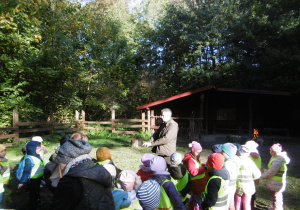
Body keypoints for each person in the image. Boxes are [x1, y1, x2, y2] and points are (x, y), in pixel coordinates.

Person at [51, 139, 115, 210]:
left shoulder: (70, 181)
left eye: (59, 162)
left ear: (65, 160)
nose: (60, 167)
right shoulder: (100, 170)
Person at [260, 143, 290, 210]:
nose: (271, 152)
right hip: (276, 181)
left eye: (273, 151)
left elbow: (271, 172)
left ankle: (276, 208)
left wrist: (263, 176)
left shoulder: (277, 161)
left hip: (276, 181)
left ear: (278, 151)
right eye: (270, 150)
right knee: (277, 195)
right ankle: (277, 207)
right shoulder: (276, 157)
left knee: (276, 196)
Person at [18, 141, 45, 210]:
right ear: (32, 149)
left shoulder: (37, 156)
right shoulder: (29, 159)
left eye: (40, 148)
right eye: (38, 148)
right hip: (33, 180)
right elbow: (26, 172)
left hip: (38, 178)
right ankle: (33, 206)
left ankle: (38, 202)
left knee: (37, 191)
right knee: (33, 194)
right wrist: (22, 182)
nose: (40, 149)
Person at [183, 141, 209, 210]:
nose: (199, 154)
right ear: (192, 150)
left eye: (200, 152)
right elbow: (193, 172)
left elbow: (200, 163)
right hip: (197, 184)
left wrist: (203, 165)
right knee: (199, 201)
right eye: (197, 152)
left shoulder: (196, 157)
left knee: (193, 198)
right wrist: (203, 168)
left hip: (199, 182)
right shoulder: (190, 160)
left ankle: (190, 208)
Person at [235, 145, 261, 210]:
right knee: (246, 203)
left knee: (237, 202)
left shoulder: (235, 160)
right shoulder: (250, 162)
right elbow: (257, 174)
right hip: (248, 187)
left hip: (238, 186)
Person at [221, 143, 239, 210]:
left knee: (226, 204)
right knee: (231, 203)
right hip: (233, 185)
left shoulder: (228, 164)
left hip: (227, 186)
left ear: (227, 153)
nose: (221, 152)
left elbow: (225, 176)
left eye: (222, 151)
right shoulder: (235, 159)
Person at [245, 140, 262, 209]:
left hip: (248, 176)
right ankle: (253, 204)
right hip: (256, 175)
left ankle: (246, 204)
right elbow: (260, 166)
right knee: (253, 190)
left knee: (247, 191)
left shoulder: (248, 156)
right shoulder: (258, 156)